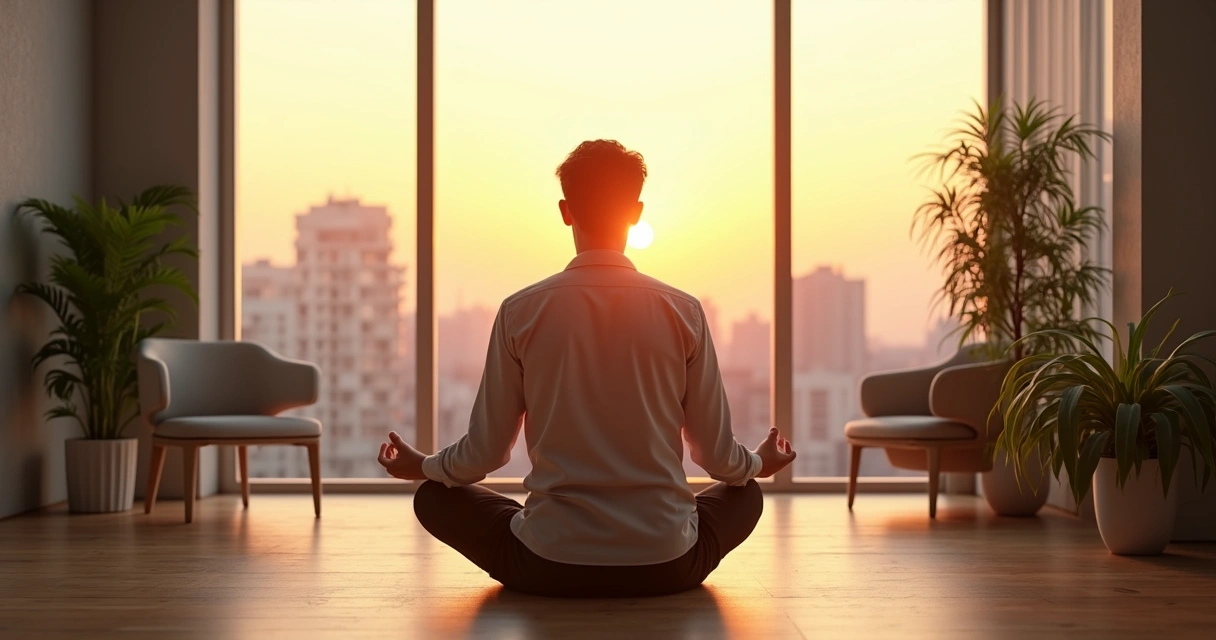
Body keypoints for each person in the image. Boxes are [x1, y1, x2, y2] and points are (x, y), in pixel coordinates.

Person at [377, 139, 796, 598]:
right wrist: (759, 462)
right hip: (669, 564)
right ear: (636, 213)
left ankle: (551, 537)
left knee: (434, 496)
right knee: (745, 493)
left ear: (565, 211)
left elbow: (484, 454)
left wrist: (425, 465)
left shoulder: (521, 311)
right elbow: (717, 459)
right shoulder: (684, 311)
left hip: (546, 565)